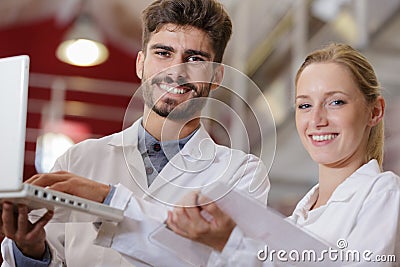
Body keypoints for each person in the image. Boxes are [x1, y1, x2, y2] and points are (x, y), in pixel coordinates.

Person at [0, 0, 270, 266]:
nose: (176, 71)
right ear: (140, 63)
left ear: (217, 77)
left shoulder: (242, 174)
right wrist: (32, 251)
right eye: (163, 53)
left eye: (195, 58)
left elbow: (234, 262)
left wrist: (106, 199)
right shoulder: (79, 159)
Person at [165, 43, 400, 266]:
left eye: (336, 102)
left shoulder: (384, 193)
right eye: (305, 106)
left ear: (375, 111)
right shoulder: (293, 222)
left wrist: (231, 243)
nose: (317, 120)